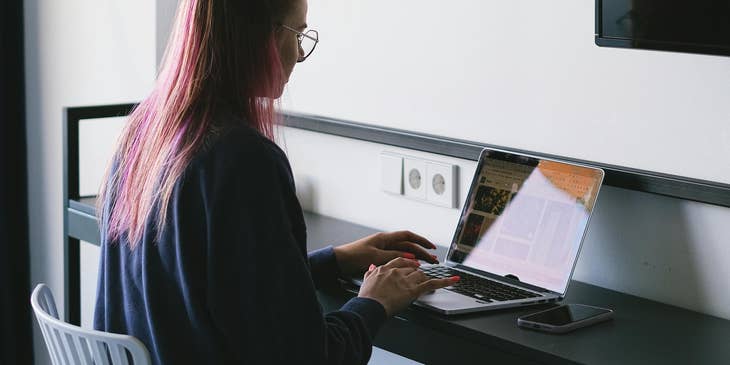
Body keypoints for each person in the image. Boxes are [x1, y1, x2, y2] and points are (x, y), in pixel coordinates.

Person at [94, 0, 458, 364]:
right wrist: (373, 302)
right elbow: (309, 357)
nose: (300, 54)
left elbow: (213, 287)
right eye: (297, 33)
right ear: (257, 37)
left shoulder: (143, 132)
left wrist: (330, 261)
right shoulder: (243, 159)